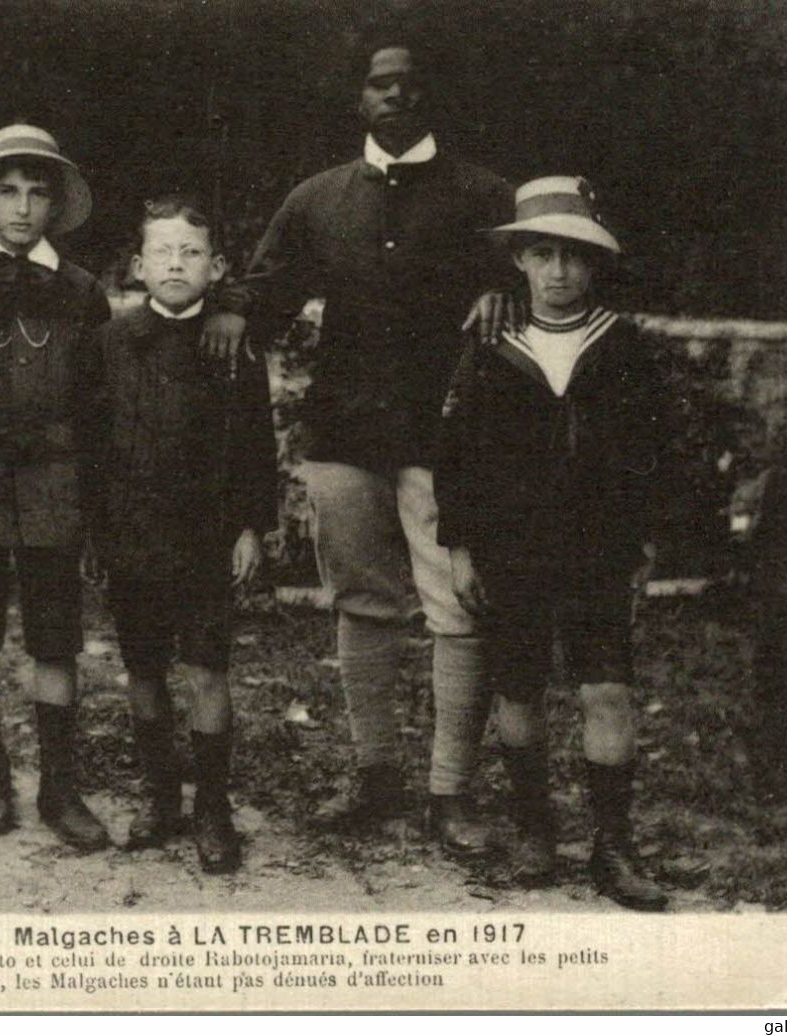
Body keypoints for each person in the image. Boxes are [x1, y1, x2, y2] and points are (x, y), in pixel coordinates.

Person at [206, 33, 514, 854]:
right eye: (380, 84)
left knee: (456, 607)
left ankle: (450, 792)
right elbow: (264, 293)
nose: (395, 95)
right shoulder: (318, 199)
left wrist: (502, 288)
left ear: (430, 95)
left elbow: (542, 274)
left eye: (410, 83)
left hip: (447, 437)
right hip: (343, 431)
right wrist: (230, 310)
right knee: (360, 600)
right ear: (359, 99)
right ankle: (375, 774)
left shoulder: (485, 195)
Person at [436, 176, 670, 911]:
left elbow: (652, 451)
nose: (559, 271)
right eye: (543, 254)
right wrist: (460, 547)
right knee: (519, 688)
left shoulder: (622, 345)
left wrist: (643, 542)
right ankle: (535, 831)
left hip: (597, 550)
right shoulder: (489, 344)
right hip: (512, 549)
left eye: (573, 256)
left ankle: (613, 845)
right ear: (520, 261)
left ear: (593, 263)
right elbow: (456, 456)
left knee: (606, 688)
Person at [0, 125, 112, 849]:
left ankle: (59, 786)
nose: (23, 206)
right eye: (7, 190)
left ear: (56, 204)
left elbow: (98, 406)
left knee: (54, 639)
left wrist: (92, 503)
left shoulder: (82, 291)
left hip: (55, 485)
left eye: (38, 192)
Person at [84, 196, 279, 874]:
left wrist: (250, 526)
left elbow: (256, 443)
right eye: (161, 252)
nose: (175, 263)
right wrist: (94, 531)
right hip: (132, 532)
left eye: (190, 252)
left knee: (205, 667)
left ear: (215, 267)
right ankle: (160, 794)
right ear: (137, 266)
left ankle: (212, 808)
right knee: (143, 667)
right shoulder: (110, 342)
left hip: (206, 538)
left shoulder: (232, 345)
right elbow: (91, 443)